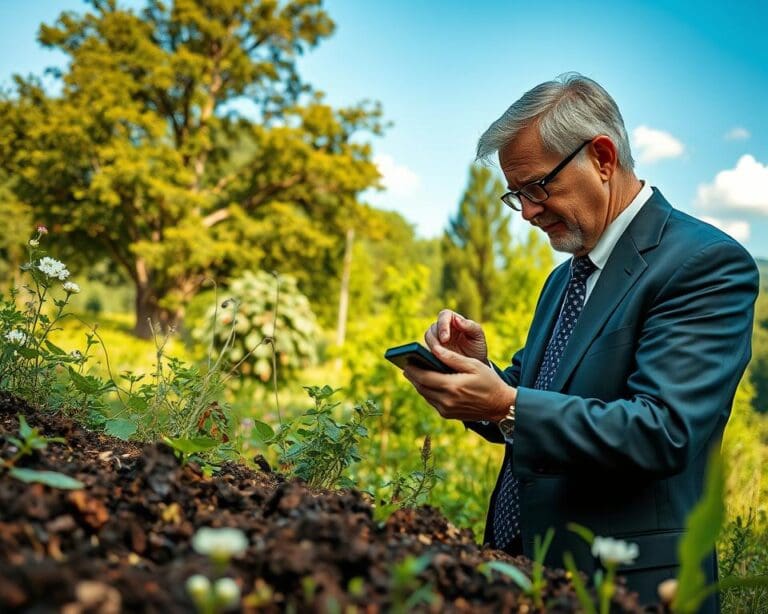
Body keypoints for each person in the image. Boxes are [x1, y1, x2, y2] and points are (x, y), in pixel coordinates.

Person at [402, 73, 758, 612]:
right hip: (526, 572)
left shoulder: (704, 264)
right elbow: (541, 393)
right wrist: (482, 373)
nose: (526, 212)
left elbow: (663, 430)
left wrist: (506, 403)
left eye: (537, 187)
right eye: (515, 195)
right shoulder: (565, 278)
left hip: (629, 589)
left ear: (603, 158)